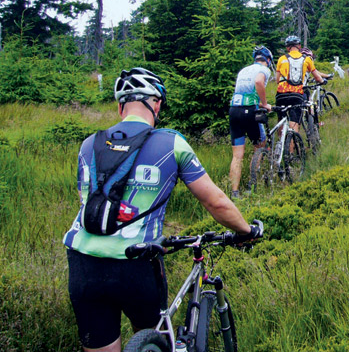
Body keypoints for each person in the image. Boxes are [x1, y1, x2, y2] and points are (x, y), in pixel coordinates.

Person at [63, 67, 259, 352]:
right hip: (137, 263)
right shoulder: (170, 143)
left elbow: (86, 199)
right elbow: (215, 201)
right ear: (155, 104)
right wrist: (246, 230)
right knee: (153, 341)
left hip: (83, 262)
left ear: (120, 107)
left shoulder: (88, 144)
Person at [229, 46, 274, 198]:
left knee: (237, 156)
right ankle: (252, 185)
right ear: (268, 60)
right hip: (249, 111)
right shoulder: (264, 70)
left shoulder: (243, 70)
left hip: (234, 109)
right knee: (260, 145)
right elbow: (259, 82)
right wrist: (265, 104)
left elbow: (244, 95)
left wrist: (261, 103)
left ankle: (234, 192)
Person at [275, 35, 329, 134]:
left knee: (281, 120)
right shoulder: (307, 59)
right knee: (294, 123)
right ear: (299, 46)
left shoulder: (281, 59)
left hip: (281, 94)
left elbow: (277, 80)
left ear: (287, 47)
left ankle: (280, 141)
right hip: (296, 94)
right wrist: (322, 81)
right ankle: (291, 143)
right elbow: (317, 77)